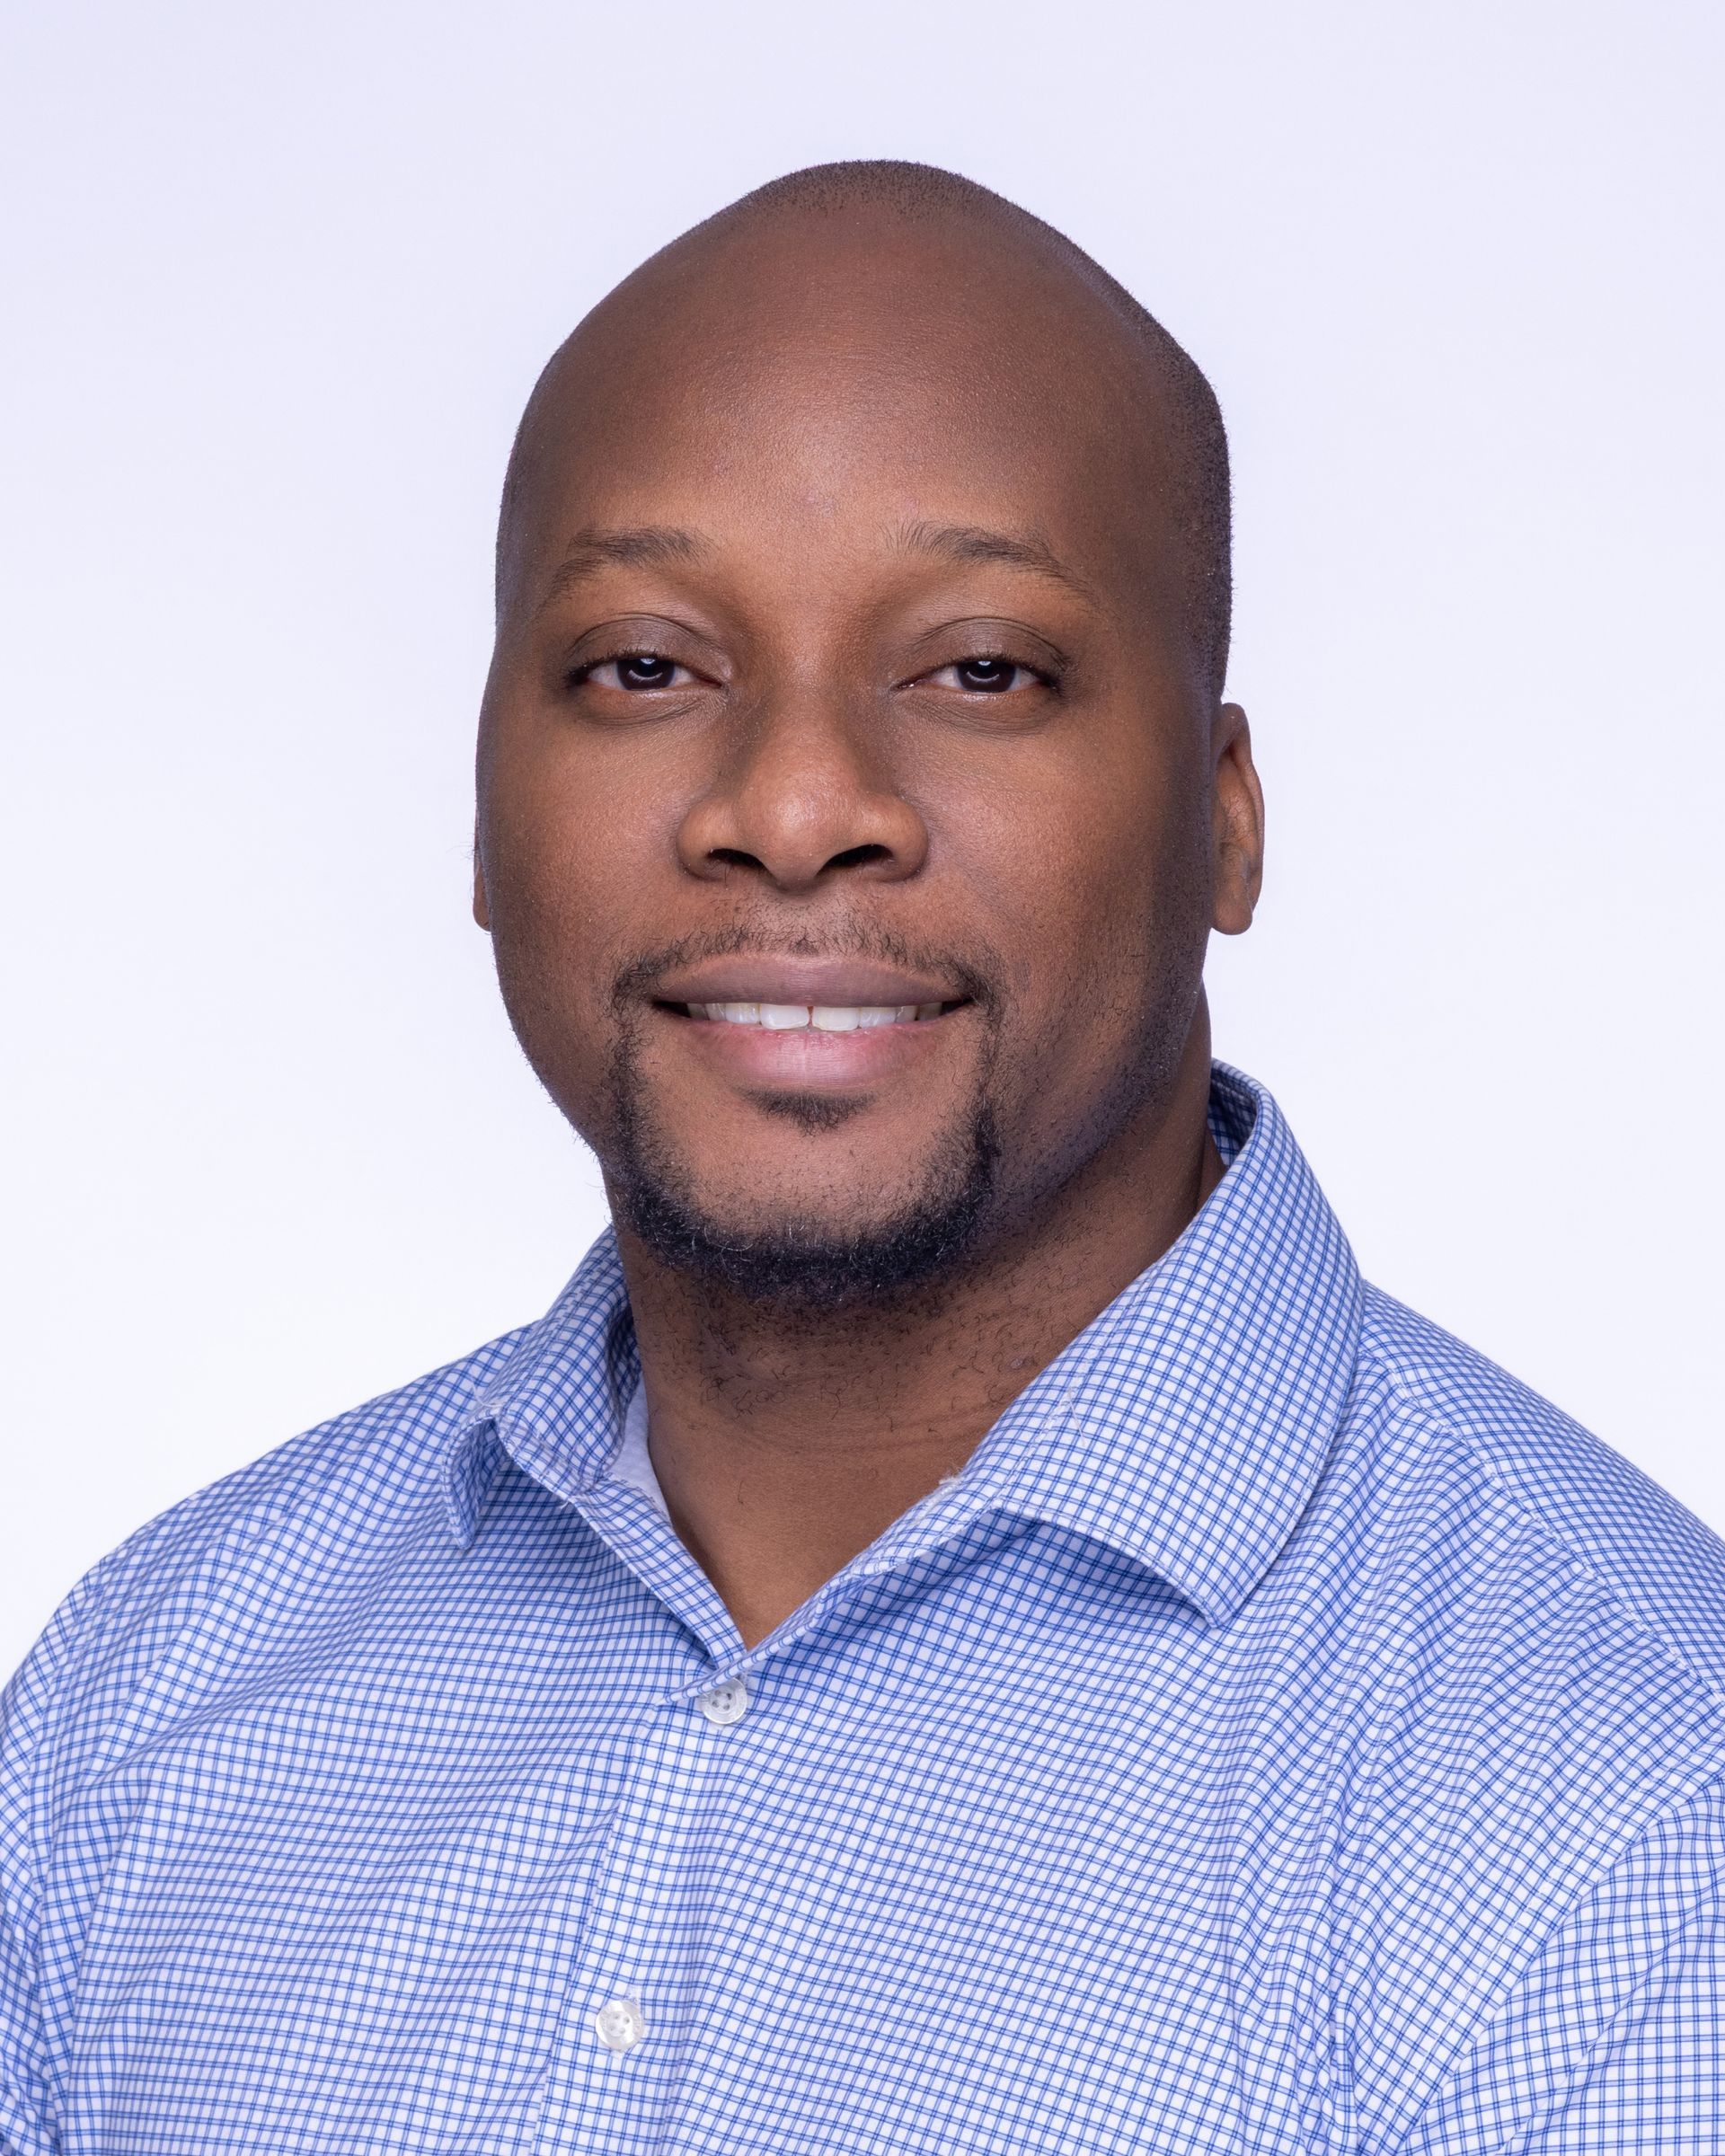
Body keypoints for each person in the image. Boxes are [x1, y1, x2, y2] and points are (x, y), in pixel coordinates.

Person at [2, 160, 1721, 2156]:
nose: (796, 804)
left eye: (980, 667)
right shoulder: (151, 1703)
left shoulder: (1635, 1828)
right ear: (481, 807)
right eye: (645, 666)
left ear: (1229, 821)